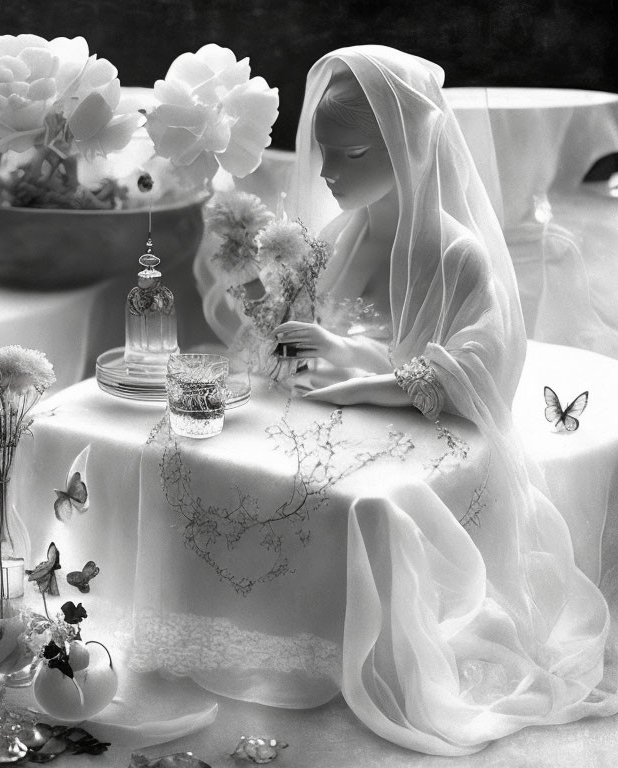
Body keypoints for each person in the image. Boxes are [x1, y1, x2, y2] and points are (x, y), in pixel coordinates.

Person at [275, 45, 618, 755]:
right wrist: (326, 351)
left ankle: (378, 644)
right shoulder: (342, 235)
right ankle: (297, 631)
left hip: (437, 443)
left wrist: (377, 382)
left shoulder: (456, 254)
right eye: (325, 155)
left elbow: (481, 368)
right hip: (340, 429)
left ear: (409, 146)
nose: (330, 174)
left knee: (372, 505)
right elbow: (346, 335)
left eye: (355, 152)